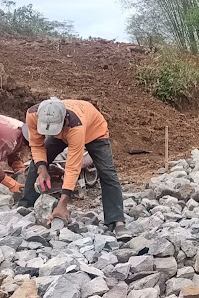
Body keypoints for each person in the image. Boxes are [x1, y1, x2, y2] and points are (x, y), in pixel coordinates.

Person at [20, 97, 132, 240]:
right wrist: (42, 170)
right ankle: (26, 207)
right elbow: (36, 144)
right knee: (37, 164)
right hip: (62, 132)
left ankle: (117, 221)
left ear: (64, 121)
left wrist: (62, 204)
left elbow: (73, 167)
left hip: (94, 132)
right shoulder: (33, 114)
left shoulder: (75, 126)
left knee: (107, 173)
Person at [0, 115, 28, 195]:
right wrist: (11, 184)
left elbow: (14, 146)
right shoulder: (8, 139)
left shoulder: (21, 129)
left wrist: (18, 167)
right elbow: (9, 142)